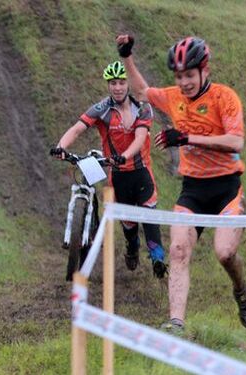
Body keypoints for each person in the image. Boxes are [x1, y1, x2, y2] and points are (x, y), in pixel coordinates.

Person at [115, 34, 246, 332]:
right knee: (178, 250)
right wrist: (127, 55)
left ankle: (242, 291)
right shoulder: (174, 97)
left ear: (205, 70)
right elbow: (141, 90)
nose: (184, 83)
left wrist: (187, 138)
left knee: (225, 253)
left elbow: (236, 141)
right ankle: (176, 323)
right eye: (179, 77)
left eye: (189, 75)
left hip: (227, 190)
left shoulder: (224, 97)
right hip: (192, 190)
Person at [52, 61, 168, 279]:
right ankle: (132, 248)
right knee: (129, 224)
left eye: (122, 82)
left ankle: (158, 259)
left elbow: (141, 137)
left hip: (142, 173)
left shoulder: (142, 108)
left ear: (128, 84)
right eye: (113, 83)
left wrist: (124, 156)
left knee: (149, 214)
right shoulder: (102, 109)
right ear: (108, 85)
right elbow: (78, 128)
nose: (117, 87)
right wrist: (61, 147)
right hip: (119, 177)